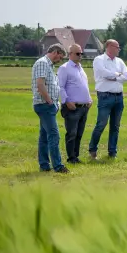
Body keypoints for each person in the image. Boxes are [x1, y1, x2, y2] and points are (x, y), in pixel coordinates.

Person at [88, 39, 127, 160]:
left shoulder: (120, 61)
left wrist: (115, 76)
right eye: (117, 47)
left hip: (118, 96)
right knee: (101, 124)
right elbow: (104, 74)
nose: (119, 49)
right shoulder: (99, 60)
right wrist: (118, 75)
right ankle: (92, 150)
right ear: (109, 47)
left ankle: (112, 152)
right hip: (105, 96)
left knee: (115, 126)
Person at [31, 44, 69, 173]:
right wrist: (49, 101)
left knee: (44, 136)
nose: (60, 60)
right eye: (60, 56)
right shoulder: (42, 63)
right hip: (44, 105)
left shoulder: (49, 65)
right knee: (54, 135)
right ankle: (58, 166)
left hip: (48, 105)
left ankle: (44, 165)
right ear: (55, 52)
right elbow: (40, 84)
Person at [57, 44, 91, 164]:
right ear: (70, 54)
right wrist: (66, 101)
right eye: (77, 53)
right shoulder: (64, 68)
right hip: (72, 107)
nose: (80, 55)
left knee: (79, 134)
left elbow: (84, 85)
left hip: (84, 107)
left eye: (81, 53)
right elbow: (60, 87)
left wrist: (89, 99)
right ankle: (71, 158)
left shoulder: (80, 68)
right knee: (72, 133)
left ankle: (76, 156)